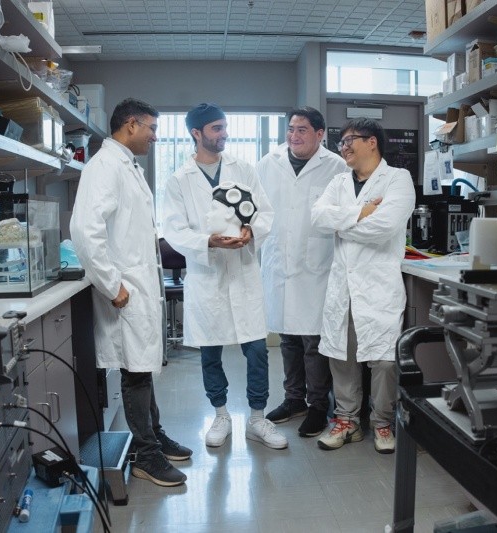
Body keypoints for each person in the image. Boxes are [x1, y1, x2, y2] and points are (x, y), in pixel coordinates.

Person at [70, 98, 191, 487]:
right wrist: (112, 285)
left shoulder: (127, 166)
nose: (155, 137)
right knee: (136, 372)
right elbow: (86, 231)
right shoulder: (104, 167)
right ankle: (145, 456)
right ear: (132, 125)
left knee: (143, 366)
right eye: (152, 129)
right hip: (123, 290)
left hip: (137, 285)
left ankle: (153, 436)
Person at [162, 102, 287, 450]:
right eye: (216, 129)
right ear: (196, 133)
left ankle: (257, 418)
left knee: (258, 350)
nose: (224, 134)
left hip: (244, 271)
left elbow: (265, 212)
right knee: (210, 352)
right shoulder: (178, 180)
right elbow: (173, 229)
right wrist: (208, 242)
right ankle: (220, 414)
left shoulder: (242, 169)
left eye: (224, 127)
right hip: (207, 275)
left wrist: (251, 232)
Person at [310, 118, 415, 454]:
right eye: (341, 142)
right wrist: (361, 212)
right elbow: (317, 219)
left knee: (384, 361)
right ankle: (346, 421)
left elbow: (385, 227)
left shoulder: (398, 180)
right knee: (342, 356)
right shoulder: (339, 182)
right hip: (343, 285)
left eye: (348, 140)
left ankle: (382, 423)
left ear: (372, 142)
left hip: (378, 286)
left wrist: (342, 223)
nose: (343, 147)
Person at [256, 106, 348, 438]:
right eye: (291, 130)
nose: (294, 136)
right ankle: (293, 398)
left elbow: (343, 215)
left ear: (320, 134)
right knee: (288, 337)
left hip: (317, 266)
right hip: (280, 261)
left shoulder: (337, 167)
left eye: (303, 130)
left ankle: (318, 405)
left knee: (314, 340)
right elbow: (258, 210)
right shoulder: (269, 163)